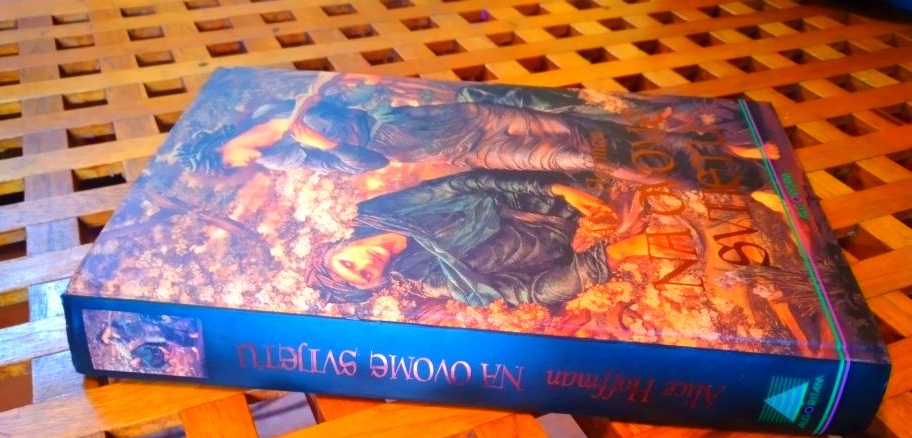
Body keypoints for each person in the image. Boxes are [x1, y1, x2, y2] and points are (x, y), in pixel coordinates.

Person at [178, 73, 780, 192]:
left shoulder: (280, 103)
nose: (238, 168)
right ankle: (734, 178)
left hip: (471, 115)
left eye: (226, 162)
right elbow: (368, 166)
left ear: (222, 144)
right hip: (460, 147)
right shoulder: (286, 158)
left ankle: (727, 143)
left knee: (590, 125)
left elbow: (365, 90)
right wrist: (328, 145)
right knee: (588, 160)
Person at [305, 170, 650, 308]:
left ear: (340, 245)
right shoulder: (429, 278)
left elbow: (458, 184)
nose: (366, 263)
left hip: (538, 186)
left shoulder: (378, 213)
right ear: (375, 283)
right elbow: (530, 292)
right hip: (565, 231)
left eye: (347, 262)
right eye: (364, 275)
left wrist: (554, 188)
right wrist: (614, 254)